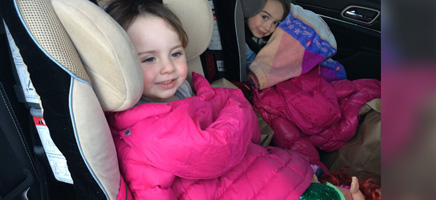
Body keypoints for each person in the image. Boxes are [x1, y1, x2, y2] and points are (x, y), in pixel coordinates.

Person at [105, 0, 314, 199]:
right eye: (149, 58)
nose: (168, 67)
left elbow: (250, 141)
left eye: (176, 54)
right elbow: (151, 191)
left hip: (262, 170)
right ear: (121, 65)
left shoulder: (191, 89)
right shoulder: (137, 144)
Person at [245, 0, 291, 67]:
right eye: (264, 17)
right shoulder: (239, 35)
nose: (268, 28)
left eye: (275, 23)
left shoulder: (269, 37)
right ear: (248, 9)